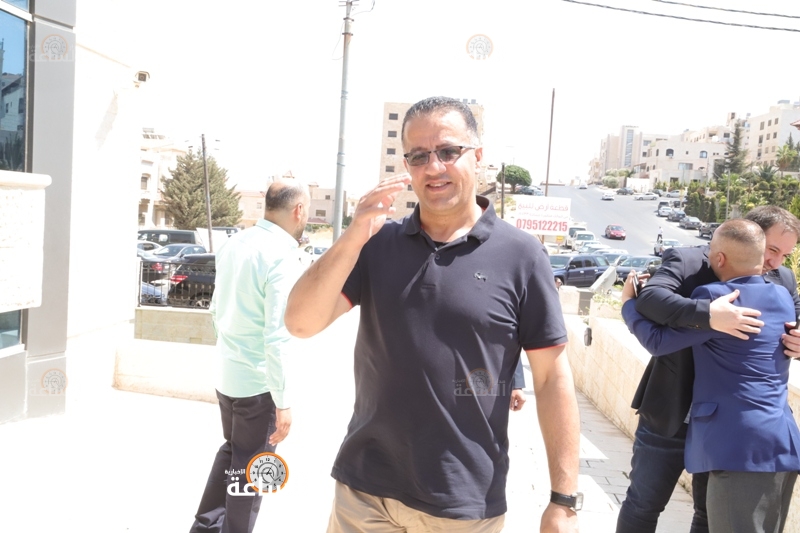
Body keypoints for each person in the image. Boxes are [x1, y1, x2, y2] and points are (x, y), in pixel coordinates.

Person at [285, 96, 581, 532]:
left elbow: (552, 377)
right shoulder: (377, 244)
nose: (434, 167)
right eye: (419, 156)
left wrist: (563, 500)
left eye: (448, 151)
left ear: (478, 156)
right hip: (364, 493)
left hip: (462, 505)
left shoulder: (522, 256)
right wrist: (353, 235)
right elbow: (300, 322)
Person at [615, 205, 800, 533]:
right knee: (643, 504)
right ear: (749, 232)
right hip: (672, 415)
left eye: (785, 255)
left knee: (708, 516)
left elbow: (793, 318)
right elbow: (652, 299)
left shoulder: (782, 280)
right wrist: (709, 315)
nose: (775, 262)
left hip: (723, 429)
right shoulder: (688, 262)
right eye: (773, 250)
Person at [189, 180, 310, 533]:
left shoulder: (235, 243)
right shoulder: (282, 255)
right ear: (299, 210)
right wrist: (283, 401)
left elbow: (216, 310)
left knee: (233, 453)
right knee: (253, 471)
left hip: (228, 378)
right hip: (259, 386)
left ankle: (205, 527)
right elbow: (277, 336)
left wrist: (233, 354)